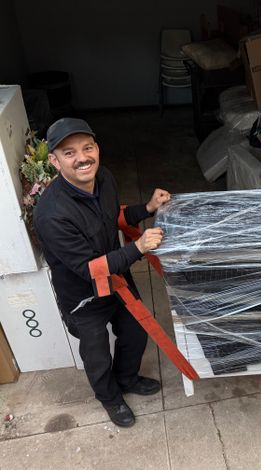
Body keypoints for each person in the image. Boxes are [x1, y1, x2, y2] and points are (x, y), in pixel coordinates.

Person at [34, 117, 170, 427]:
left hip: (117, 280)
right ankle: (110, 399)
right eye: (69, 153)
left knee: (135, 334)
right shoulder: (51, 215)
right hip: (84, 298)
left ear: (97, 148)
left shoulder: (104, 178)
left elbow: (114, 216)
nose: (82, 158)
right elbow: (88, 269)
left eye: (87, 147)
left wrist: (147, 208)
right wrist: (138, 248)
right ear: (55, 161)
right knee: (97, 356)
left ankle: (127, 379)